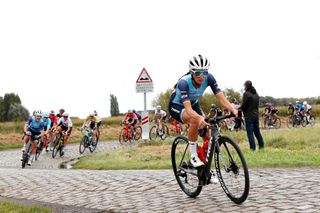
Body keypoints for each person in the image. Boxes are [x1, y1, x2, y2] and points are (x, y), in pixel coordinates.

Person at [169, 54, 237, 167]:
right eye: (198, 73)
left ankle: (204, 168)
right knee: (195, 121)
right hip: (177, 106)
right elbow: (188, 109)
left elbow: (221, 98)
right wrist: (199, 117)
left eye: (204, 72)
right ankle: (193, 156)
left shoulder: (209, 78)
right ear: (191, 73)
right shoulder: (184, 82)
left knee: (207, 135)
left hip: (194, 104)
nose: (202, 76)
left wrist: (233, 110)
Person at [239, 80, 264, 151]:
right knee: (257, 132)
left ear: (247, 86)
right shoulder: (256, 94)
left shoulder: (246, 94)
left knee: (250, 133)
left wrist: (238, 109)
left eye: (244, 86)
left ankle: (252, 149)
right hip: (256, 116)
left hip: (249, 116)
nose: (244, 87)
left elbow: (243, 106)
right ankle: (262, 147)